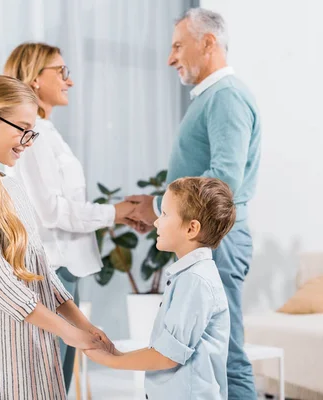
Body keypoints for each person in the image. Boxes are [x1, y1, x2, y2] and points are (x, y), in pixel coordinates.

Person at [0, 75, 110, 399]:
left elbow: (43, 274)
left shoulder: (12, 187)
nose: (27, 141)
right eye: (21, 128)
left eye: (31, 131)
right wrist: (68, 333)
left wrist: (85, 326)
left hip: (26, 347)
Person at [126, 8, 262, 398]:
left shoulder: (226, 98)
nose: (171, 58)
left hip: (220, 241)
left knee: (228, 357)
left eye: (177, 46)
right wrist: (157, 210)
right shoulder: (213, 98)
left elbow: (223, 183)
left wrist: (155, 207)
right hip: (209, 240)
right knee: (211, 356)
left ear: (208, 43)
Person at [3, 42, 134, 391]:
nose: (69, 80)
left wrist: (115, 214)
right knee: (49, 380)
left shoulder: (47, 133)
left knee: (57, 379)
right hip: (52, 267)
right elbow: (51, 210)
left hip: (61, 268)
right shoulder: (36, 135)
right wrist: (114, 213)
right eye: (61, 71)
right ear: (33, 78)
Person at [86, 177, 235, 400]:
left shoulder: (195, 280)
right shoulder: (189, 276)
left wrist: (111, 361)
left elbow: (168, 356)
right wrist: (117, 353)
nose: (156, 222)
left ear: (191, 228)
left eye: (164, 214)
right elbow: (166, 349)